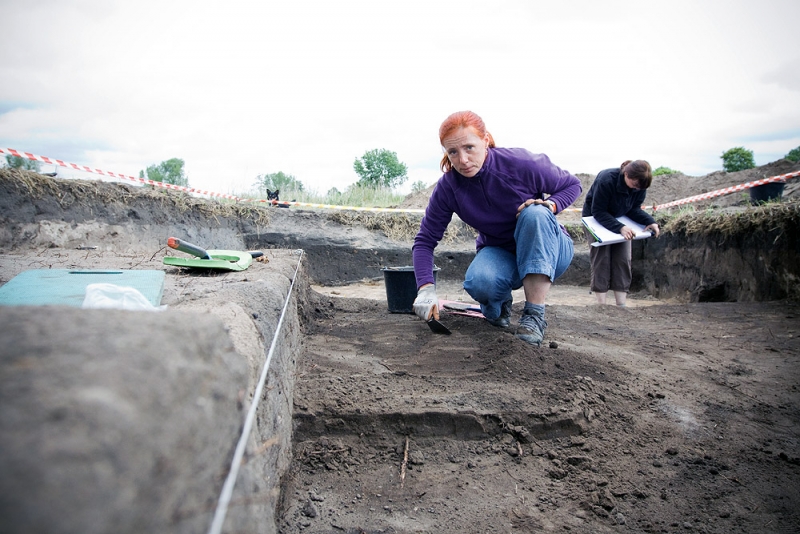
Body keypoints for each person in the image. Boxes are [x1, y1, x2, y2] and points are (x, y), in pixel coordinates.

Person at [411, 111, 582, 346]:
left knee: (535, 213)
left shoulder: (521, 164)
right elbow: (425, 241)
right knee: (479, 281)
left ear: (486, 140)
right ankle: (499, 305)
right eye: (453, 152)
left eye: (469, 147)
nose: (462, 160)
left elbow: (572, 185)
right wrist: (425, 289)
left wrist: (551, 204)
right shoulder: (449, 187)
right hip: (501, 252)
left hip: (549, 249)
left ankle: (534, 315)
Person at [581, 160, 660, 306]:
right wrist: (620, 228)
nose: (636, 189)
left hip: (620, 220)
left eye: (640, 188)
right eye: (635, 185)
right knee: (602, 259)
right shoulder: (606, 179)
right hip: (596, 220)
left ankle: (621, 305)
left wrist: (650, 221)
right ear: (626, 174)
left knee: (623, 259)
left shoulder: (640, 186)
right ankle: (601, 305)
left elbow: (634, 209)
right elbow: (598, 211)